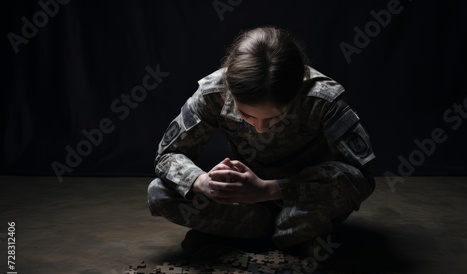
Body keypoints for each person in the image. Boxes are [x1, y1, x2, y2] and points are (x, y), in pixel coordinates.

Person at [147, 27, 375, 260]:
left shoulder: (323, 99)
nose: (260, 128)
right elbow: (167, 155)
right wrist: (202, 181)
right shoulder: (213, 92)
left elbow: (362, 177)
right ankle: (292, 240)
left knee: (315, 208)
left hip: (300, 204)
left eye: (275, 117)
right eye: (246, 116)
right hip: (246, 203)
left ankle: (232, 235)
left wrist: (269, 189)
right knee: (159, 193)